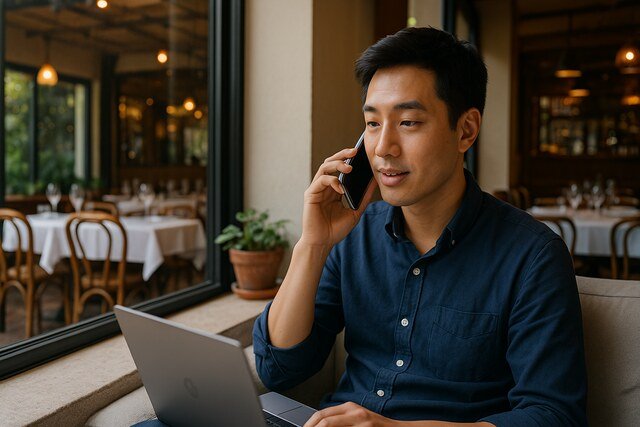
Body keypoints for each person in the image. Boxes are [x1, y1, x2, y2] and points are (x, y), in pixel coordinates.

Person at [253, 27, 587, 426]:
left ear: (466, 130)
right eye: (373, 124)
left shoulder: (532, 256)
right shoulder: (354, 235)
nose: (382, 148)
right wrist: (312, 244)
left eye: (408, 122)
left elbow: (554, 415)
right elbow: (280, 369)